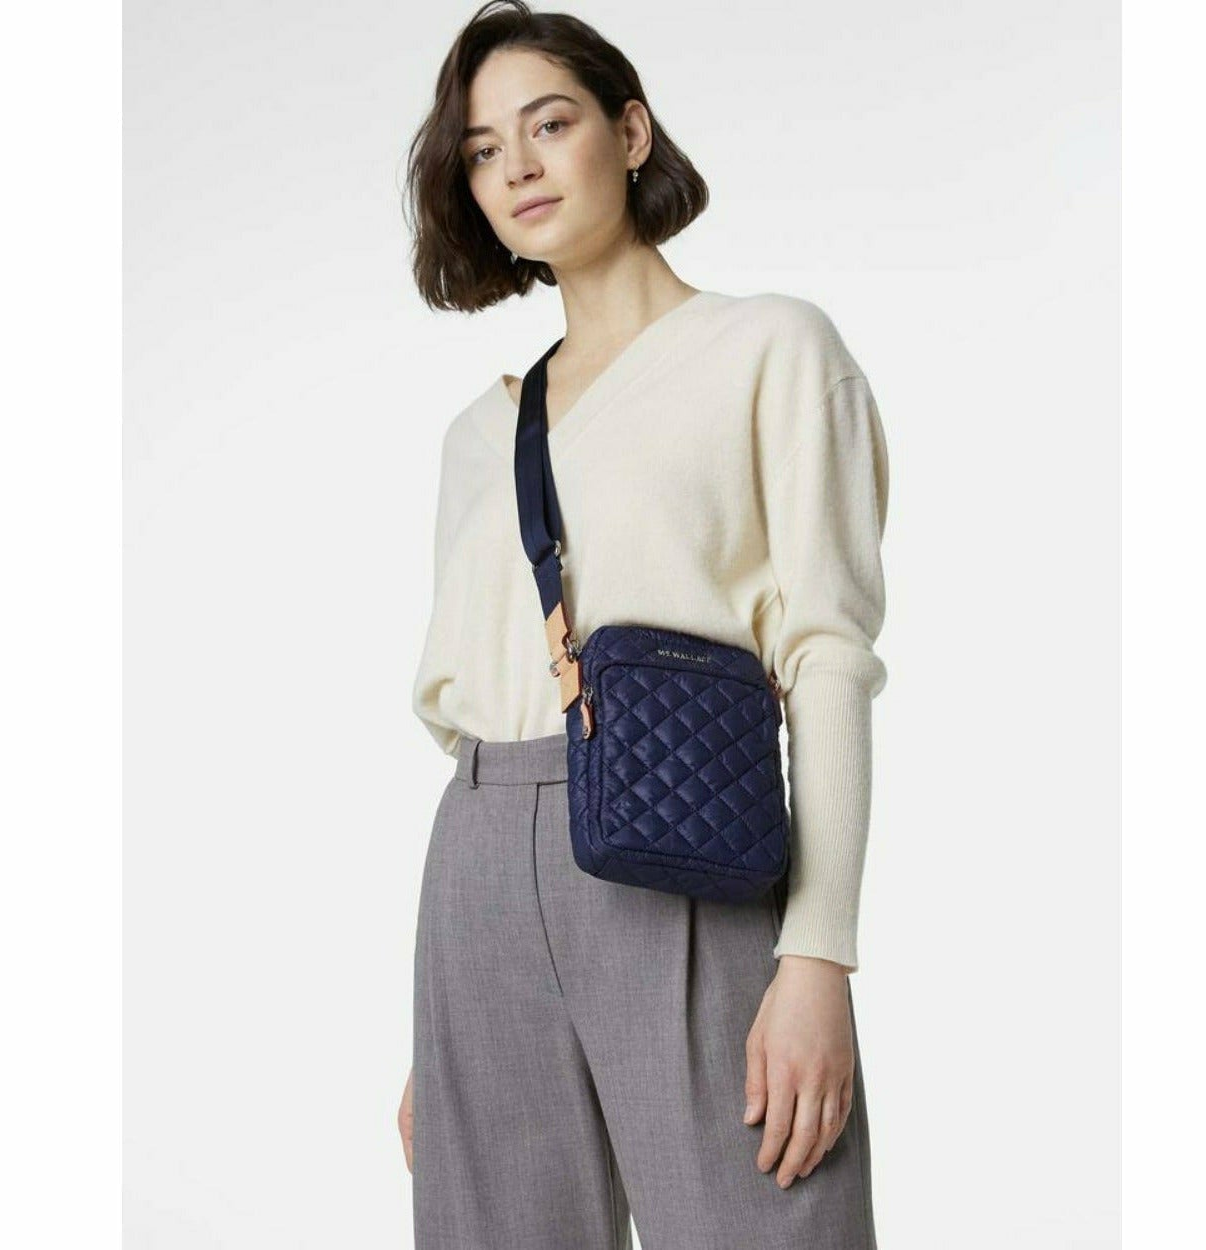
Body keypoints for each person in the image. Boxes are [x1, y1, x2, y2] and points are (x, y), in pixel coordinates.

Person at [396, 3, 889, 1246]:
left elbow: (826, 654)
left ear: (629, 133)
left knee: (765, 1213)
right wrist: (441, 1029)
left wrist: (817, 954)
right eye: (481, 150)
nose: (517, 166)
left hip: (681, 847)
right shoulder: (479, 434)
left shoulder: (769, 348)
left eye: (548, 124)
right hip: (479, 858)